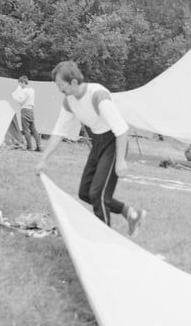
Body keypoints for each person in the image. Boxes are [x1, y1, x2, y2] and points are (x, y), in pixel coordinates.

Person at [35, 61, 145, 235]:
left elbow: (121, 129)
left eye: (61, 85)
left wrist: (120, 161)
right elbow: (58, 132)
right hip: (97, 142)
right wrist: (43, 160)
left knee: (98, 194)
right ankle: (131, 213)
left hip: (113, 142)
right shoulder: (69, 101)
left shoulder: (97, 95)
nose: (59, 90)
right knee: (85, 192)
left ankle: (105, 239)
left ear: (73, 82)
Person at [11, 75, 42, 152]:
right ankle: (39, 146)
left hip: (25, 110)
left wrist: (14, 96)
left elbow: (21, 101)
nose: (19, 85)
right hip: (31, 110)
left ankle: (29, 147)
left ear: (22, 82)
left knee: (26, 130)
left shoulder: (24, 91)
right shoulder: (32, 90)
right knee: (33, 129)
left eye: (19, 83)